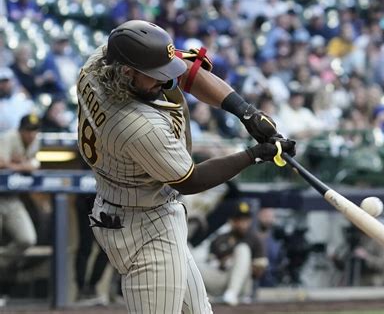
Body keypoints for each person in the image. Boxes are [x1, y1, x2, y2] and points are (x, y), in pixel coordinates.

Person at [76, 20, 295, 314]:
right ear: (126, 73)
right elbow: (189, 180)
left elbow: (186, 72)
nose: (164, 81)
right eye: (154, 76)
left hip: (128, 206)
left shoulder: (100, 64)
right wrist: (255, 154)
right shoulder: (136, 124)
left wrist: (246, 113)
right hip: (145, 227)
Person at [199, 200, 268, 306]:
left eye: (246, 220)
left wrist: (243, 264)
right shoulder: (220, 238)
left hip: (244, 283)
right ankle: (205, 296)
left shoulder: (255, 239)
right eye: (239, 220)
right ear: (232, 221)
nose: (243, 224)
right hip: (222, 278)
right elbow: (211, 263)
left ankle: (232, 293)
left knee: (243, 249)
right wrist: (223, 262)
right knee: (195, 267)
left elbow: (260, 271)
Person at [0, 114, 41, 270]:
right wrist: (23, 165)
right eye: (28, 131)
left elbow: (35, 165)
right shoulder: (8, 138)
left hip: (12, 198)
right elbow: (1, 163)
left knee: (27, 239)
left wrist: (16, 165)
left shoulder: (35, 142)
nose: (31, 134)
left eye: (34, 130)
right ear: (21, 130)